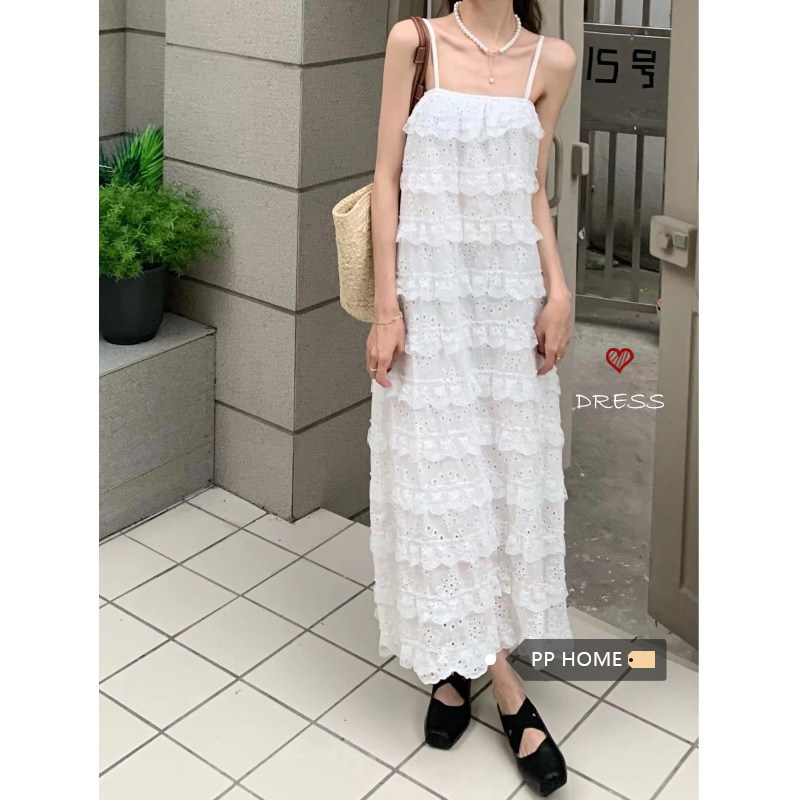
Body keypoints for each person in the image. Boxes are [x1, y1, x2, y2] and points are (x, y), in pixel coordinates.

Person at [366, 1, 576, 794]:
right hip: (429, 299)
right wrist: (387, 309)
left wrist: (558, 290)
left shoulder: (551, 60)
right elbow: (385, 177)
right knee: (440, 486)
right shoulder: (415, 42)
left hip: (506, 300)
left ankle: (460, 670)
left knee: (499, 483)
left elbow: (530, 188)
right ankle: (507, 691)